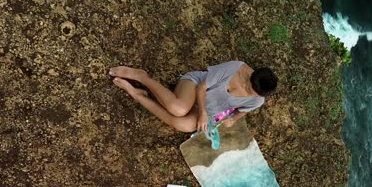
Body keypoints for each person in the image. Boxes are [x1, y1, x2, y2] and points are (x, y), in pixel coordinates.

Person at [109, 61, 278, 133]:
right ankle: (142, 77)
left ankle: (139, 96)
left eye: (253, 94)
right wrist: (203, 113)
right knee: (178, 108)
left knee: (181, 124)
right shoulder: (235, 67)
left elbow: (243, 111)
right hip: (196, 86)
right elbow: (202, 86)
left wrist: (233, 119)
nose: (249, 93)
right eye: (249, 88)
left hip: (207, 110)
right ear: (251, 76)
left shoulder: (257, 99)